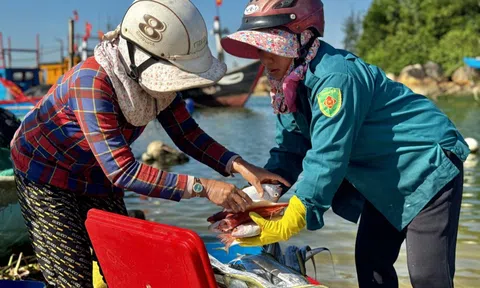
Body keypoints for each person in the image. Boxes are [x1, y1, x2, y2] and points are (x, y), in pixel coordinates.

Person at [9, 0, 289, 287]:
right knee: (72, 277)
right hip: (46, 172)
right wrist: (204, 187)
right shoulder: (92, 83)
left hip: (97, 173)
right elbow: (124, 172)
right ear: (137, 56)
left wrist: (241, 165)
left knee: (119, 263)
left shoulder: (158, 88)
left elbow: (188, 134)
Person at [221, 0, 469, 287]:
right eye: (260, 49)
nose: (265, 58)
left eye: (273, 46)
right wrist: (263, 194)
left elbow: (328, 156)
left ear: (303, 38)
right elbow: (290, 149)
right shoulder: (288, 86)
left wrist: (294, 217)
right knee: (371, 264)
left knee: (427, 275)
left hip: (427, 159)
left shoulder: (336, 79)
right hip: (382, 174)